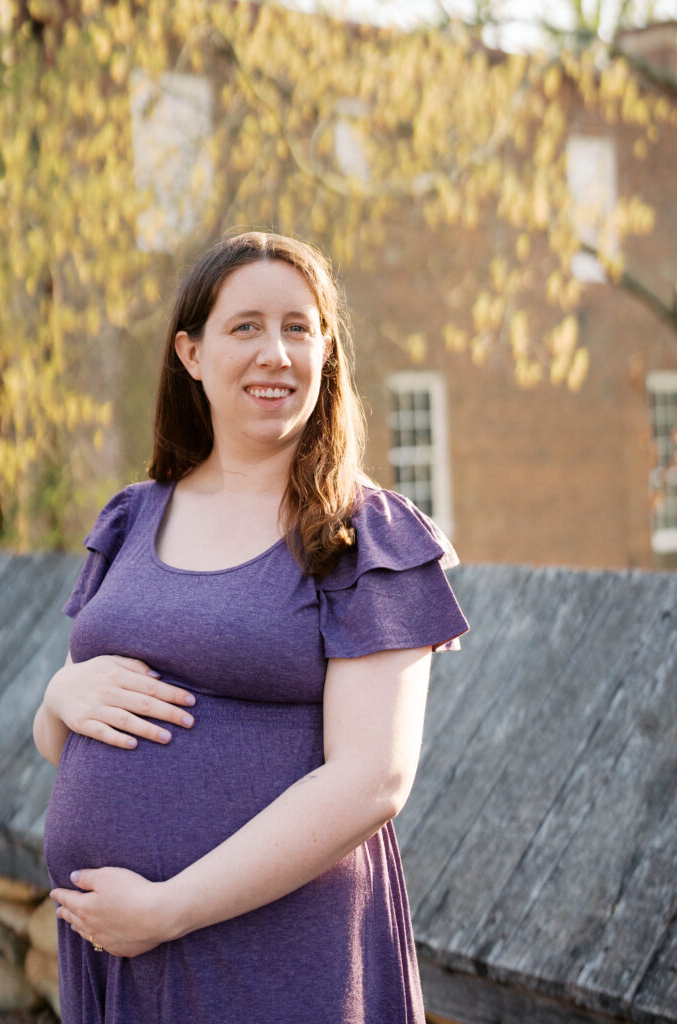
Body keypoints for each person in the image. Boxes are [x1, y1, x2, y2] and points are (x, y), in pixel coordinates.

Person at [33, 231, 470, 1024]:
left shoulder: (365, 535)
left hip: (271, 951)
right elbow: (64, 738)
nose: (275, 352)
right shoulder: (133, 518)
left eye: (298, 328)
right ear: (190, 353)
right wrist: (61, 694)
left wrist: (169, 907)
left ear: (325, 350)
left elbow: (373, 779)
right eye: (245, 327)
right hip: (115, 949)